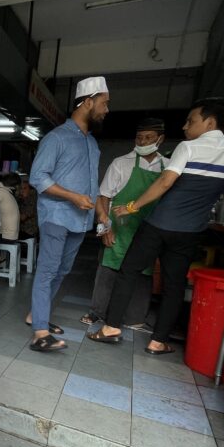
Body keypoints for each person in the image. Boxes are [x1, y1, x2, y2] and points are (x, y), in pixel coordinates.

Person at [90, 98, 224, 354]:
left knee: (129, 271)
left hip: (158, 224)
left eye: (191, 121)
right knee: (174, 286)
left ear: (210, 122)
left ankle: (111, 328)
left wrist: (131, 207)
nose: (185, 126)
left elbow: (164, 183)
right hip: (190, 231)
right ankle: (158, 341)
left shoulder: (188, 148)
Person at [26, 77, 106, 351]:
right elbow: (38, 177)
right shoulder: (57, 137)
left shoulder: (92, 144)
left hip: (80, 220)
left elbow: (93, 185)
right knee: (48, 271)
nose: (106, 110)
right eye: (104, 103)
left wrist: (100, 214)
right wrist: (72, 196)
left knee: (63, 269)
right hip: (55, 215)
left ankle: (36, 315)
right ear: (87, 102)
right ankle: (39, 333)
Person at [80, 118, 167, 328]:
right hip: (119, 227)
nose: (143, 141)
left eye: (149, 138)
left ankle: (135, 317)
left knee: (143, 273)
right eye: (139, 137)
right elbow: (103, 197)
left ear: (160, 140)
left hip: (149, 228)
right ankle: (97, 311)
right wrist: (104, 228)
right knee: (109, 269)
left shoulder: (168, 167)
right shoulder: (121, 163)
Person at [17, 175, 38, 241]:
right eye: (21, 188)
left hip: (28, 231)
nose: (22, 191)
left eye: (25, 188)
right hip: (22, 230)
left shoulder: (32, 200)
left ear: (30, 190)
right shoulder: (22, 199)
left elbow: (23, 217)